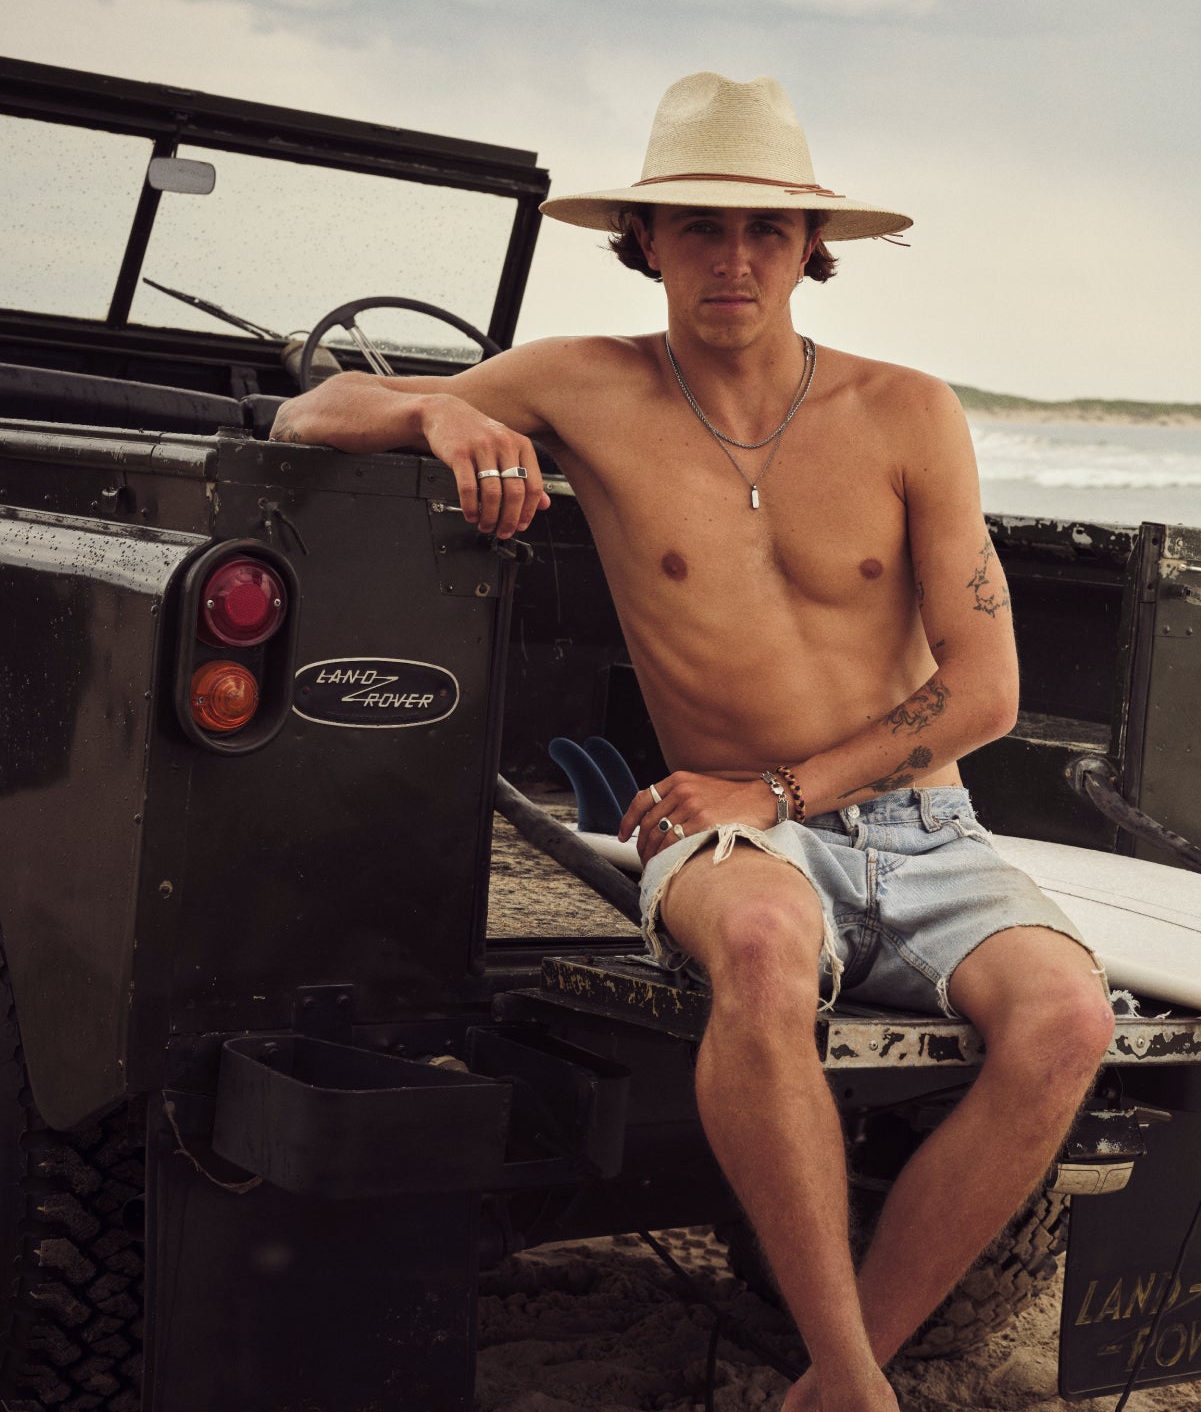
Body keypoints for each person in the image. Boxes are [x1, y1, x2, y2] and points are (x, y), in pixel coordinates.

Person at [271, 72, 1115, 1412]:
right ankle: (850, 1379)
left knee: (1070, 1020)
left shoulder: (906, 412)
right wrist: (443, 411)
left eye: (765, 230)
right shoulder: (585, 387)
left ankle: (844, 1377)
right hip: (731, 846)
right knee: (770, 956)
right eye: (701, 227)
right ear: (648, 242)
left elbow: (987, 692)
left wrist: (786, 785)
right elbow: (307, 416)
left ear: (810, 249)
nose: (734, 257)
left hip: (920, 824)